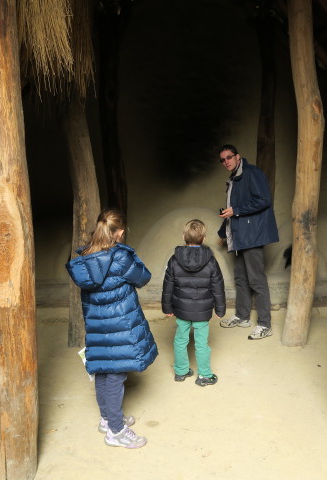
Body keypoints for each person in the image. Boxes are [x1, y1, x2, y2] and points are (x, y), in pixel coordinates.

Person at [65, 209, 158, 449]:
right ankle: (116, 431)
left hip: (97, 324)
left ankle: (107, 419)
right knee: (116, 375)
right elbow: (143, 278)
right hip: (121, 324)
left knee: (104, 371)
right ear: (120, 232)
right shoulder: (120, 257)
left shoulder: (85, 256)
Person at [217, 144, 279, 340]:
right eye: (223, 159)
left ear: (238, 156)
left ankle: (264, 324)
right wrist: (222, 232)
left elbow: (264, 200)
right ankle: (242, 316)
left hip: (252, 235)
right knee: (241, 279)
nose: (226, 161)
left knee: (256, 281)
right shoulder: (234, 179)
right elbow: (231, 209)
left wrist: (236, 210)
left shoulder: (252, 173)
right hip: (238, 236)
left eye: (229, 157)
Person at [162, 219, 226, 386]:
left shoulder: (174, 260)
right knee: (201, 344)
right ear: (203, 238)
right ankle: (204, 375)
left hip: (181, 310)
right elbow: (218, 287)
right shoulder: (211, 261)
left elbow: (167, 286)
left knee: (180, 341)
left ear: (183, 236)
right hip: (202, 311)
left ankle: (181, 371)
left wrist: (167, 307)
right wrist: (220, 309)